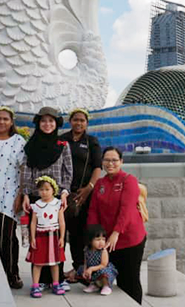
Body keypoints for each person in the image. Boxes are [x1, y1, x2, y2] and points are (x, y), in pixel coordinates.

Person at [19, 106, 73, 290]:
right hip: (37, 197)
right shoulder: (30, 145)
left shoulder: (63, 145)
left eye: (51, 121)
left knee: (57, 239)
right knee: (38, 241)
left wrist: (65, 192)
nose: (47, 124)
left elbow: (68, 170)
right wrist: (26, 194)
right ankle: (39, 280)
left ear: (56, 123)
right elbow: (26, 171)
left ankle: (56, 280)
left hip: (57, 198)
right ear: (38, 123)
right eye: (43, 121)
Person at [87, 147, 147, 304]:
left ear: (121, 161)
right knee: (110, 279)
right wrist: (92, 236)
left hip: (129, 239)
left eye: (114, 160)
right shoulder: (100, 183)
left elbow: (126, 209)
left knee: (130, 280)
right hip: (107, 242)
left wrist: (116, 233)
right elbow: (93, 210)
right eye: (107, 160)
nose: (110, 163)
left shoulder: (129, 180)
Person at [0, 107, 27, 289]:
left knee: (8, 235)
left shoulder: (18, 141)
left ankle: (12, 273)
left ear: (11, 122)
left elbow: (24, 168)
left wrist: (21, 194)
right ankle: (1, 273)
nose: (1, 122)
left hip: (11, 193)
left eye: (5, 119)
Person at [60, 108, 102, 285]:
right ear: (70, 121)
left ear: (86, 123)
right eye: (75, 120)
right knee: (73, 233)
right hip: (67, 194)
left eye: (82, 120)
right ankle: (78, 268)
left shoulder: (91, 141)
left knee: (88, 232)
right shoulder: (62, 139)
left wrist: (89, 188)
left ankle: (91, 268)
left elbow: (97, 167)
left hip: (87, 194)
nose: (78, 123)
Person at [26, 176, 66, 298]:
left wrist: (62, 237)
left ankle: (55, 283)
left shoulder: (57, 204)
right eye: (41, 189)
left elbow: (62, 222)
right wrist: (32, 237)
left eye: (47, 189)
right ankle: (35, 285)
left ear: (53, 190)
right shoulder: (36, 205)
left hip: (53, 236)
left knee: (55, 262)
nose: (44, 192)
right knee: (38, 262)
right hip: (40, 236)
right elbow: (33, 223)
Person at [78, 224, 118, 296]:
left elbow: (103, 264)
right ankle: (94, 284)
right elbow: (85, 262)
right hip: (92, 270)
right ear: (90, 240)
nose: (101, 242)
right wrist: (85, 270)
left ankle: (106, 286)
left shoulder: (103, 251)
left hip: (101, 268)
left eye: (103, 239)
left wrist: (91, 269)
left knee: (103, 272)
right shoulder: (87, 249)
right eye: (98, 240)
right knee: (80, 270)